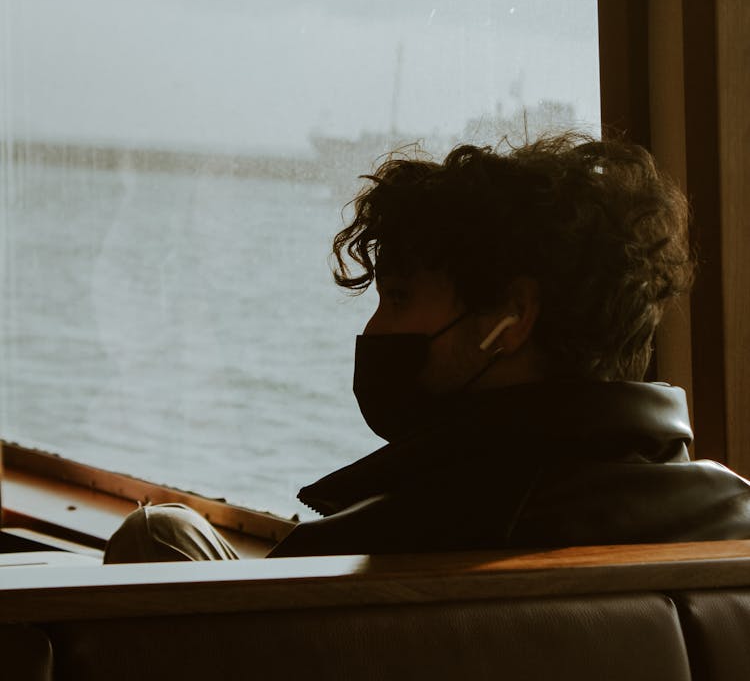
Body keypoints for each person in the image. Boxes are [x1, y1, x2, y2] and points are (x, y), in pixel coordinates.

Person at [105, 135, 750, 563]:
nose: (375, 332)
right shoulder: (732, 517)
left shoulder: (357, 552)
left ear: (511, 317)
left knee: (158, 536)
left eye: (399, 297)